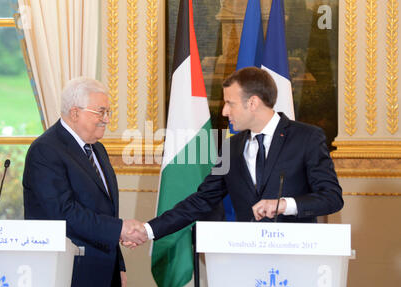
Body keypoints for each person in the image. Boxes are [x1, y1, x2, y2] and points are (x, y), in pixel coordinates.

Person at [125, 66, 343, 244]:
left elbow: (332, 198)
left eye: (230, 103)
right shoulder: (231, 147)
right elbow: (201, 200)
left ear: (253, 103)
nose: (224, 112)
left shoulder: (307, 138)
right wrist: (148, 230)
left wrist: (284, 205)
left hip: (298, 255)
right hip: (245, 258)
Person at [23, 77, 146, 287]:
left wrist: (118, 266)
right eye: (100, 112)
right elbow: (64, 212)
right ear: (75, 112)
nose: (107, 119)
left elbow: (106, 213)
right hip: (68, 275)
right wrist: (119, 229)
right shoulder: (46, 150)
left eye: (108, 112)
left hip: (101, 272)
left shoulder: (97, 150)